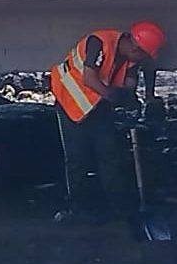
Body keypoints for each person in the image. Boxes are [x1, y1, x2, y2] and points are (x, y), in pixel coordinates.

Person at [49, 21, 166, 233]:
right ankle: (79, 207)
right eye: (143, 55)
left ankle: (119, 207)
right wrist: (113, 96)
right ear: (134, 48)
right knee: (78, 159)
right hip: (71, 103)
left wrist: (132, 99)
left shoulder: (131, 59)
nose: (142, 60)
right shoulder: (98, 42)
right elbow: (89, 78)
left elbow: (129, 83)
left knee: (110, 156)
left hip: (99, 105)